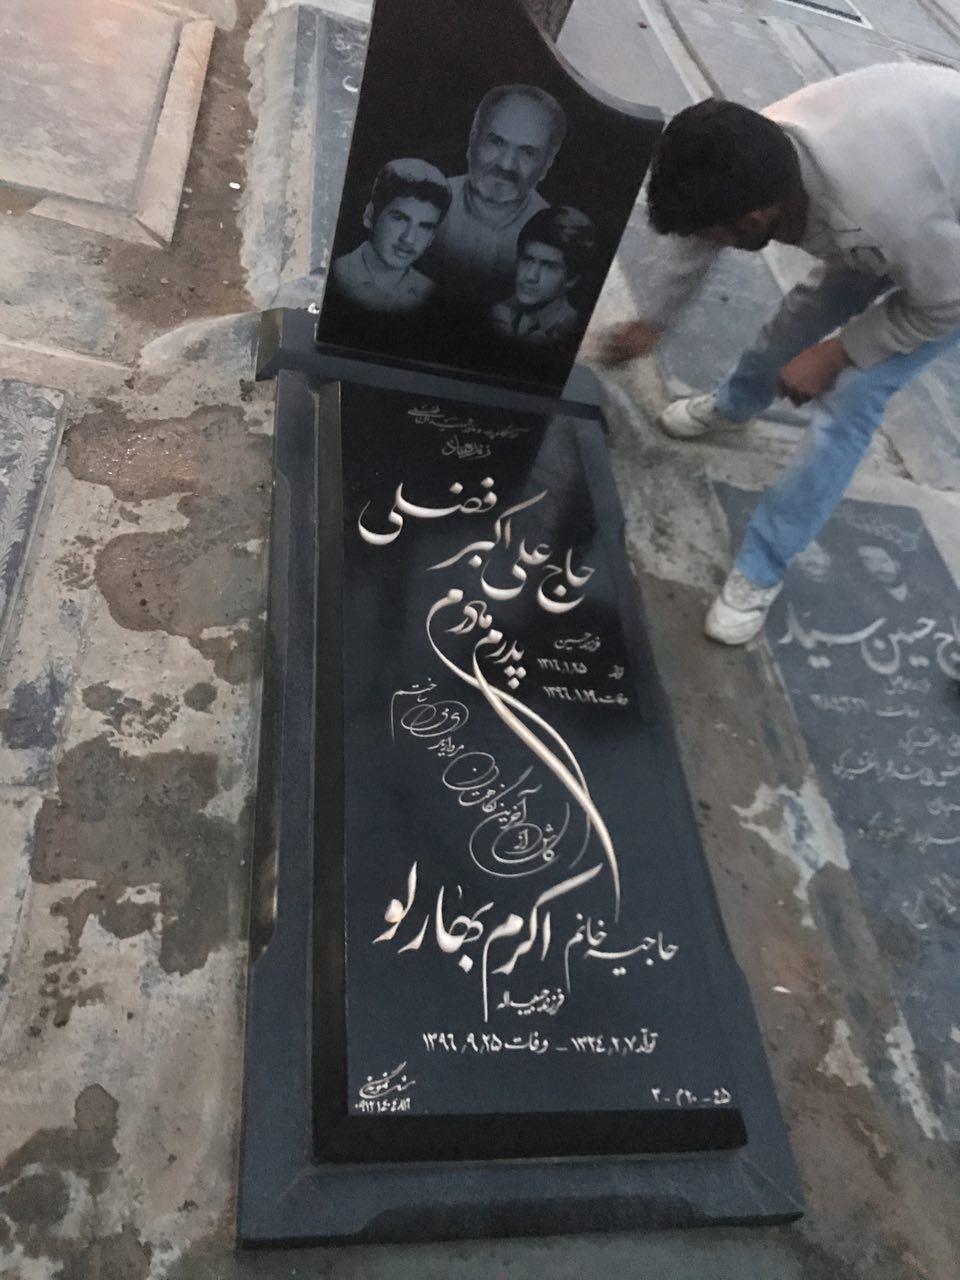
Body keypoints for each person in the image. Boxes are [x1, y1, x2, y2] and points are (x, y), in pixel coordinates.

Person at [602, 64, 960, 645]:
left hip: (947, 266)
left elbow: (946, 303)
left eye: (715, 232)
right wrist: (654, 321)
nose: (706, 242)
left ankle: (761, 566)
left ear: (756, 218)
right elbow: (697, 238)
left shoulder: (882, 214)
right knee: (800, 317)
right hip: (915, 189)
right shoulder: (756, 156)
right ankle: (734, 406)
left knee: (855, 394)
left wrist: (838, 353)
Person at [425, 84, 567, 306]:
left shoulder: (555, 238)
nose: (506, 164)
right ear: (473, 140)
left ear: (547, 163)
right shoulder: (423, 202)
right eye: (497, 142)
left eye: (527, 152)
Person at [331, 158, 452, 313]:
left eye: (425, 226)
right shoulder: (334, 277)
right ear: (370, 215)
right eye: (399, 219)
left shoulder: (431, 295)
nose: (409, 239)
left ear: (432, 237)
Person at [491, 205, 595, 346]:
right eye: (527, 260)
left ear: (572, 278)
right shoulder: (498, 314)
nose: (530, 276)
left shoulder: (576, 331)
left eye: (548, 266)